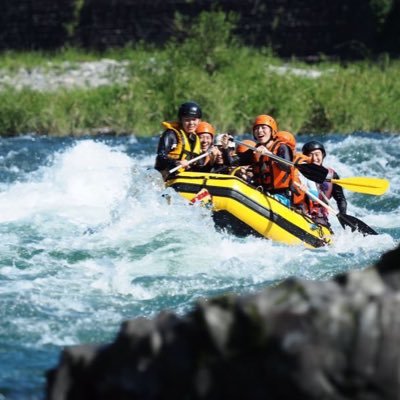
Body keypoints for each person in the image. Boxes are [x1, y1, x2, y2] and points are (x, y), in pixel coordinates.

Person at [300, 140, 347, 226]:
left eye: (317, 154)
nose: (314, 158)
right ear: (305, 157)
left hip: (319, 217)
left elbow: (340, 199)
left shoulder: (331, 176)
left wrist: (343, 215)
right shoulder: (299, 173)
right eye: (310, 155)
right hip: (300, 212)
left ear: (323, 155)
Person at [249, 114, 294, 206]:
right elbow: (236, 162)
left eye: (263, 128)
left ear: (272, 131)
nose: (259, 131)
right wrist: (226, 148)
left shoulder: (282, 147)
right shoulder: (255, 150)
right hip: (262, 193)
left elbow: (287, 166)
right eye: (257, 128)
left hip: (282, 196)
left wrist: (269, 154)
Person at [154, 101, 203, 179]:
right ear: (181, 120)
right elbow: (160, 157)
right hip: (167, 177)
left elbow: (200, 165)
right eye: (187, 120)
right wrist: (177, 162)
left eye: (194, 120)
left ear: (199, 121)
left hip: (184, 178)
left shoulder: (195, 139)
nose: (191, 123)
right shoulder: (170, 135)